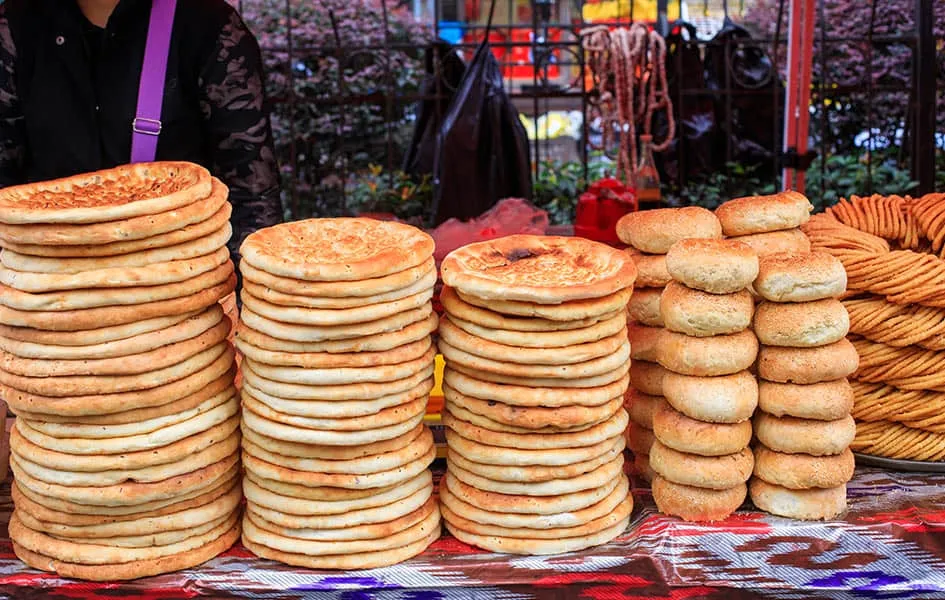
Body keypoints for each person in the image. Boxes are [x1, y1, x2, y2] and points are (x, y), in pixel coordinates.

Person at [0, 0, 281, 269]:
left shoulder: (209, 26)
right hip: (44, 291)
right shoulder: (14, 27)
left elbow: (252, 196)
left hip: (182, 288)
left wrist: (242, 302)